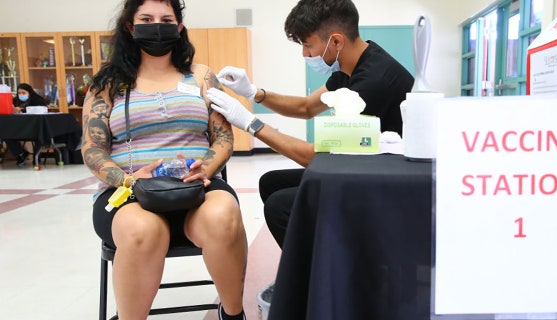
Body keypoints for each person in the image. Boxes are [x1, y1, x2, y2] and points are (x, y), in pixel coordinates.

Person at [81, 1, 247, 319]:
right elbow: (92, 149)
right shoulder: (107, 84)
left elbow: (224, 138)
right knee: (143, 231)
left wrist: (206, 168)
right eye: (146, 18)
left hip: (198, 188)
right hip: (130, 194)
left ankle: (233, 313)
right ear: (130, 26)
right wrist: (129, 179)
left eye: (166, 19)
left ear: (179, 27)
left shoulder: (202, 77)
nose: (156, 25)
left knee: (222, 217)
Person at [208, 0, 414, 248]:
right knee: (271, 182)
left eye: (308, 45)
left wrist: (251, 123)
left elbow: (314, 156)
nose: (305, 54)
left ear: (336, 41)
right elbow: (306, 107)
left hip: (385, 185)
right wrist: (254, 93)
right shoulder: (355, 64)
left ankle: (317, 281)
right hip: (366, 166)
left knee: (281, 206)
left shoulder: (372, 83)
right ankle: (317, 263)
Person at [5, 83, 47, 166]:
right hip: (18, 126)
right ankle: (20, 154)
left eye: (23, 93)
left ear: (29, 92)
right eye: (19, 93)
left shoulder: (37, 100)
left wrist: (22, 110)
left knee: (38, 135)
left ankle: (36, 157)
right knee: (5, 133)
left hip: (33, 127)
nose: (21, 95)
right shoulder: (15, 100)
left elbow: (40, 110)